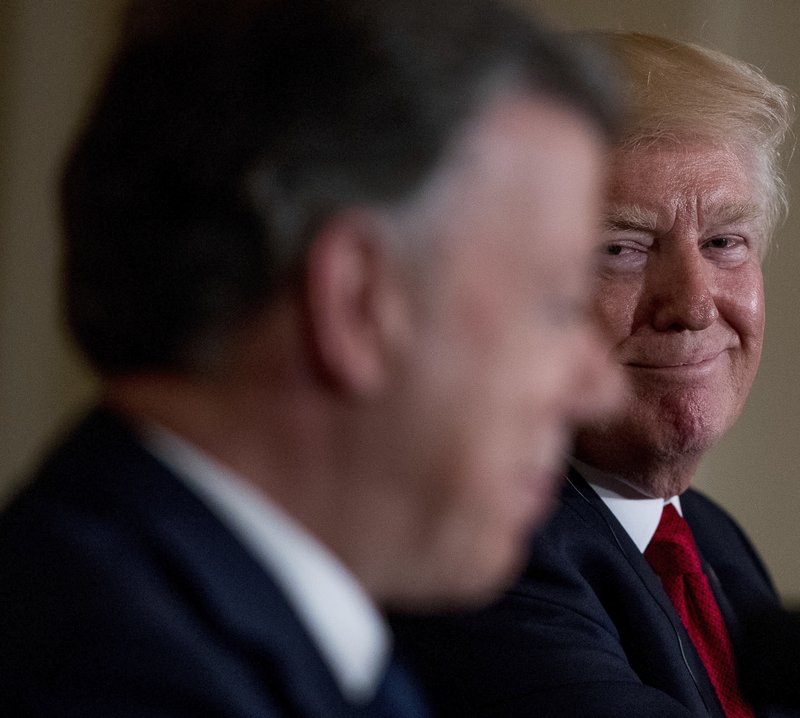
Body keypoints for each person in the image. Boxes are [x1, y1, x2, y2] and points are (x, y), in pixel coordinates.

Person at [0, 1, 623, 715]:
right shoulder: (114, 680)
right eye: (559, 306)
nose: (596, 387)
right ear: (358, 301)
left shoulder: (231, 635)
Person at [393, 31, 795, 718]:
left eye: (724, 242)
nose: (693, 304)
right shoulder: (489, 546)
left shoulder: (710, 538)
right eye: (621, 249)